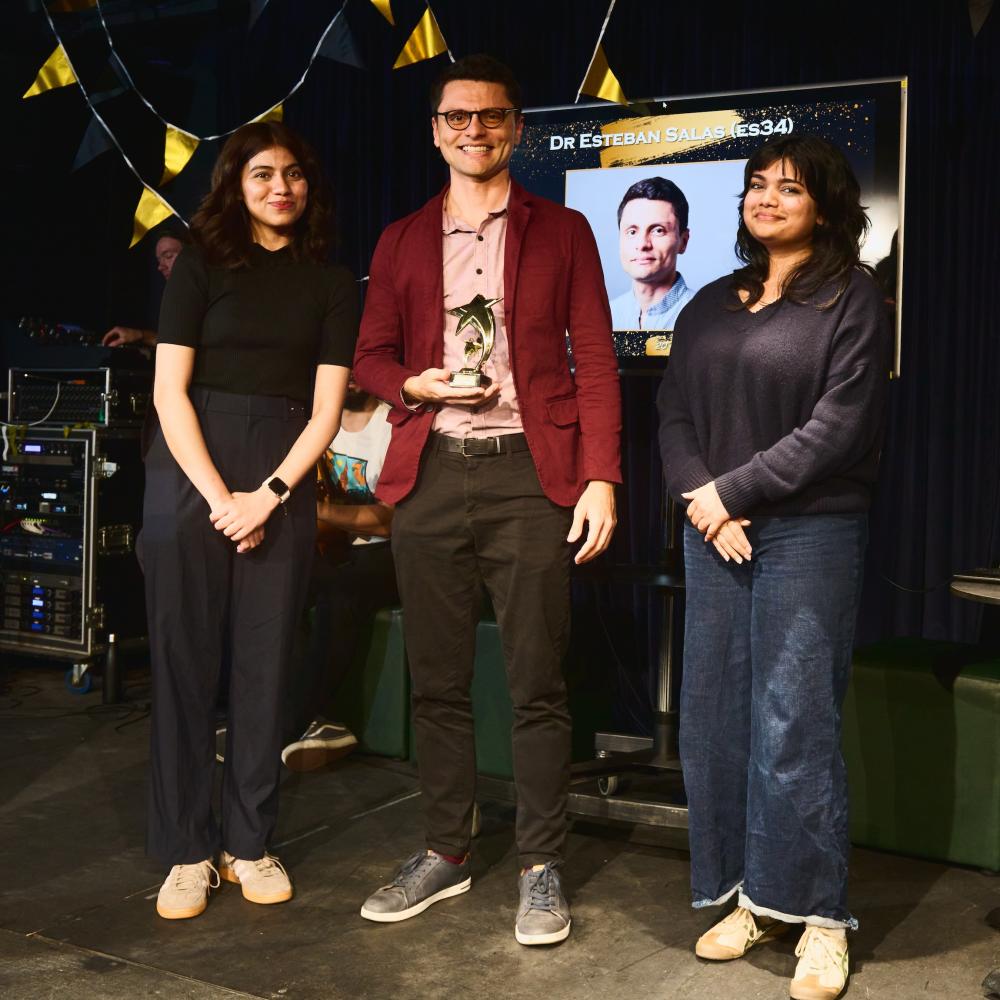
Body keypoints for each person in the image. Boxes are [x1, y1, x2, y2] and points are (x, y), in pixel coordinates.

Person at [352, 53, 621, 946]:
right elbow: (370, 360)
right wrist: (417, 387)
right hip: (428, 474)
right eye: (458, 118)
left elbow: (594, 363)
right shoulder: (399, 239)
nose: (475, 130)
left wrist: (602, 478)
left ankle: (541, 866)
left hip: (528, 475)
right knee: (436, 683)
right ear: (436, 130)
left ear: (517, 129)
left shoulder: (567, 230)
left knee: (538, 683)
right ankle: (447, 851)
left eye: (493, 117)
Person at [657, 134, 889, 1000]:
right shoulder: (711, 302)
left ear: (823, 207)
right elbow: (673, 410)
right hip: (713, 529)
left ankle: (821, 918)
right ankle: (751, 896)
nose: (765, 198)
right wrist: (701, 500)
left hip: (808, 532)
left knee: (795, 725)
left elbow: (840, 427)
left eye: (787, 189)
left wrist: (733, 492)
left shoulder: (852, 300)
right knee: (715, 721)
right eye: (756, 186)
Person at [142, 121, 356, 920]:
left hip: (283, 468)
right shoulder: (199, 267)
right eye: (263, 173)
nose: (281, 187)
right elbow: (170, 393)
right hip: (191, 467)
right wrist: (218, 498)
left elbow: (328, 410)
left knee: (266, 671)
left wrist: (266, 495)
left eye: (294, 174)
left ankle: (249, 842)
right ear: (236, 184)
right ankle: (186, 852)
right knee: (185, 668)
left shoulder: (333, 281)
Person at [281, 375, 397, 771]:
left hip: (389, 554)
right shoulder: (319, 426)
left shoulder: (389, 426)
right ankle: (310, 721)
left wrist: (321, 513)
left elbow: (391, 522)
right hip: (336, 545)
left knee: (342, 590)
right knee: (283, 584)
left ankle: (292, 723)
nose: (349, 377)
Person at [608, 176, 694, 333]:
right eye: (632, 231)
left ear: (683, 241)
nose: (642, 244)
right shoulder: (605, 316)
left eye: (658, 230)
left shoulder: (707, 316)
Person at [102, 227, 188, 348]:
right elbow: (173, 342)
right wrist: (139, 335)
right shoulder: (175, 298)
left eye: (168, 256)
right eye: (159, 260)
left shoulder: (205, 295)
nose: (160, 266)